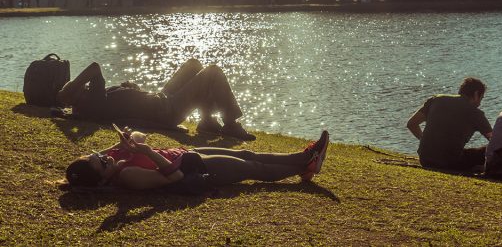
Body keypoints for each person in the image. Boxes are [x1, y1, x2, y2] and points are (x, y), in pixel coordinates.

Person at [65, 126, 330, 190]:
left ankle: (304, 158)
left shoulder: (115, 157)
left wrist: (123, 141)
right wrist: (146, 153)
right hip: (195, 171)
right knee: (253, 168)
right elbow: (174, 177)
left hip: (189, 156)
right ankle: (306, 163)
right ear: (100, 179)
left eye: (97, 154)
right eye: (100, 161)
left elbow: (140, 135)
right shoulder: (126, 175)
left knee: (246, 154)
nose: (104, 157)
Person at [57, 58, 255, 140]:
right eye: (81, 87)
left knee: (193, 64)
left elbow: (127, 104)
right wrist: (72, 85)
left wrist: (129, 90)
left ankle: (207, 121)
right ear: (79, 95)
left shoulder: (95, 101)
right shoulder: (93, 103)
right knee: (212, 72)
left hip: (161, 100)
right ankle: (230, 123)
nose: (85, 85)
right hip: (167, 110)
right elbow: (94, 67)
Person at [406, 77, 493, 171]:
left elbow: (412, 124)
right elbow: (494, 141)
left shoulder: (436, 100)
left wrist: (425, 141)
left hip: (425, 159)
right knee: (484, 151)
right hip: (450, 162)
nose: (480, 103)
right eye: (481, 98)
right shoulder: (475, 113)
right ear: (476, 94)